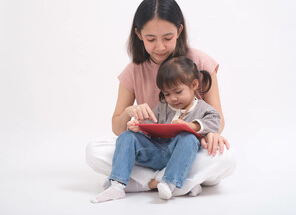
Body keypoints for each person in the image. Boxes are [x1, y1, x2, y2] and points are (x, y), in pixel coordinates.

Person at [86, 0, 236, 198]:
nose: (160, 47)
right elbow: (118, 129)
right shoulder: (133, 70)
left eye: (167, 38)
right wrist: (131, 115)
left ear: (179, 31)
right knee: (94, 150)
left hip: (190, 146)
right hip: (152, 149)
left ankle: (145, 181)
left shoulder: (200, 62)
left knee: (226, 159)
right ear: (138, 34)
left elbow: (217, 118)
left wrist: (210, 133)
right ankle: (175, 182)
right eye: (150, 39)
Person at [91, 56, 221, 203]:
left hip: (180, 157)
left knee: (191, 140)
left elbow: (216, 121)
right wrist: (138, 127)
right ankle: (117, 185)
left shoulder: (203, 108)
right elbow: (149, 123)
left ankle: (168, 183)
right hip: (155, 153)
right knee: (126, 136)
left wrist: (191, 126)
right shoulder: (162, 106)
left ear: (194, 85)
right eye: (167, 94)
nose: (173, 98)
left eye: (178, 92)